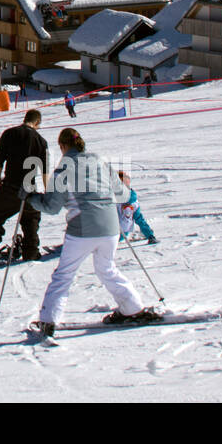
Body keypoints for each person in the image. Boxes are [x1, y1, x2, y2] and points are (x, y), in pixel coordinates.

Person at [24, 129, 158, 338]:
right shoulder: (101, 162)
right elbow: (123, 194)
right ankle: (132, 308)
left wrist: (31, 197)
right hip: (112, 228)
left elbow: (52, 207)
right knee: (107, 269)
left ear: (62, 146)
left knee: (64, 274)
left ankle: (49, 320)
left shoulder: (63, 169)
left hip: (82, 229)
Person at [0, 109, 48, 264]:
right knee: (31, 219)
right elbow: (45, 170)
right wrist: (47, 190)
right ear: (37, 123)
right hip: (30, 188)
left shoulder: (9, 133)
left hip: (11, 186)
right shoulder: (41, 140)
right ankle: (31, 251)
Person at [117, 171, 157, 244]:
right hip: (124, 231)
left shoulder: (116, 200)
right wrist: (150, 235)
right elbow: (139, 219)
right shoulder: (133, 200)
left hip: (115, 234)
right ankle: (148, 234)